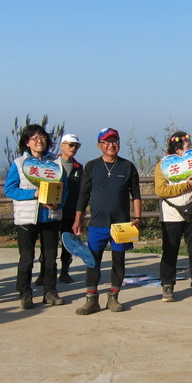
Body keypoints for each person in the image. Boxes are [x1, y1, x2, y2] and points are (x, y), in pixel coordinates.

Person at [72, 128, 142, 315]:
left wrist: (137, 217)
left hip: (121, 225)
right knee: (92, 261)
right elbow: (83, 194)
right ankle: (91, 300)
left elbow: (136, 194)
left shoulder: (127, 166)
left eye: (114, 141)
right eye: (106, 142)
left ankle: (114, 297)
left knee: (118, 261)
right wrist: (78, 219)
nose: (111, 145)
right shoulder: (92, 166)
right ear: (99, 145)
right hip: (97, 224)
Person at [4, 124, 68, 310]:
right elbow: (10, 189)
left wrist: (58, 202)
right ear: (27, 142)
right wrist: (34, 194)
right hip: (27, 218)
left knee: (50, 257)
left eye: (42, 137)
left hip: (49, 216)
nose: (39, 141)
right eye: (34, 138)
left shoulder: (55, 163)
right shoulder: (18, 163)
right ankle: (25, 293)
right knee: (26, 257)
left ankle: (50, 291)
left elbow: (65, 189)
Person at [154, 131, 192, 303]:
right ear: (177, 149)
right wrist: (186, 186)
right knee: (170, 251)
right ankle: (167, 286)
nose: (191, 149)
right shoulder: (162, 165)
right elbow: (161, 190)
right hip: (171, 215)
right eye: (188, 146)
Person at [56, 133, 84, 283]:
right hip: (52, 210)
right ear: (62, 145)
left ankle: (65, 271)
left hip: (70, 210)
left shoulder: (79, 168)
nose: (73, 148)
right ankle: (45, 272)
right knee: (50, 243)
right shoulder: (51, 165)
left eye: (76, 146)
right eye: (70, 145)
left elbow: (82, 192)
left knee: (68, 243)